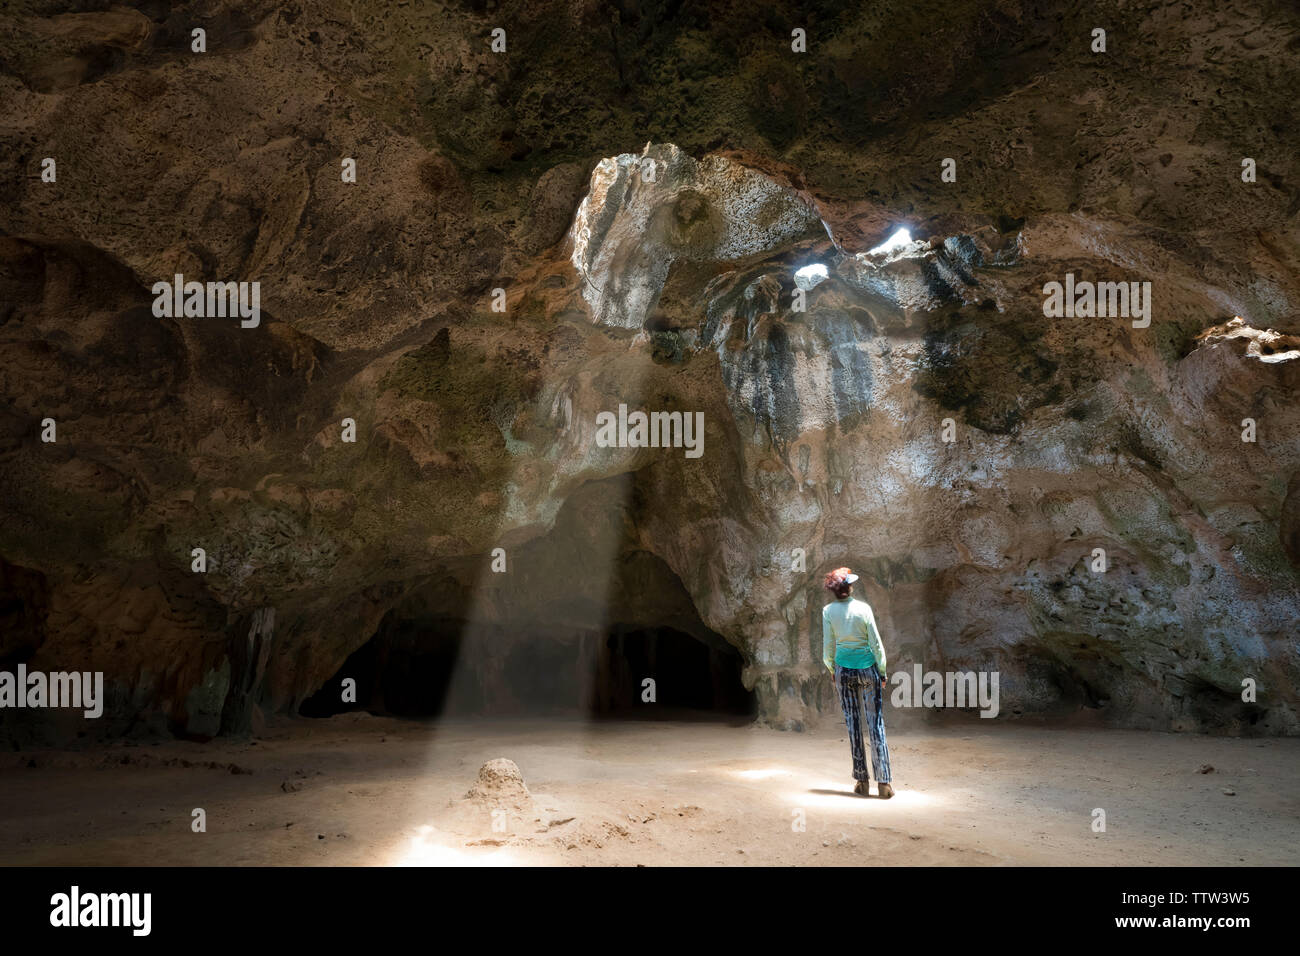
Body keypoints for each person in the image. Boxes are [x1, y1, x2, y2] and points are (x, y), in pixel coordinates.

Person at [822, 567, 894, 798]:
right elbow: (875, 643)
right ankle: (884, 784)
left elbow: (828, 647)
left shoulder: (828, 611)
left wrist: (833, 669)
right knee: (876, 724)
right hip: (867, 670)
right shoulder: (863, 609)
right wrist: (881, 671)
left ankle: (861, 782)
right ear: (849, 587)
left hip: (844, 670)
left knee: (853, 724)